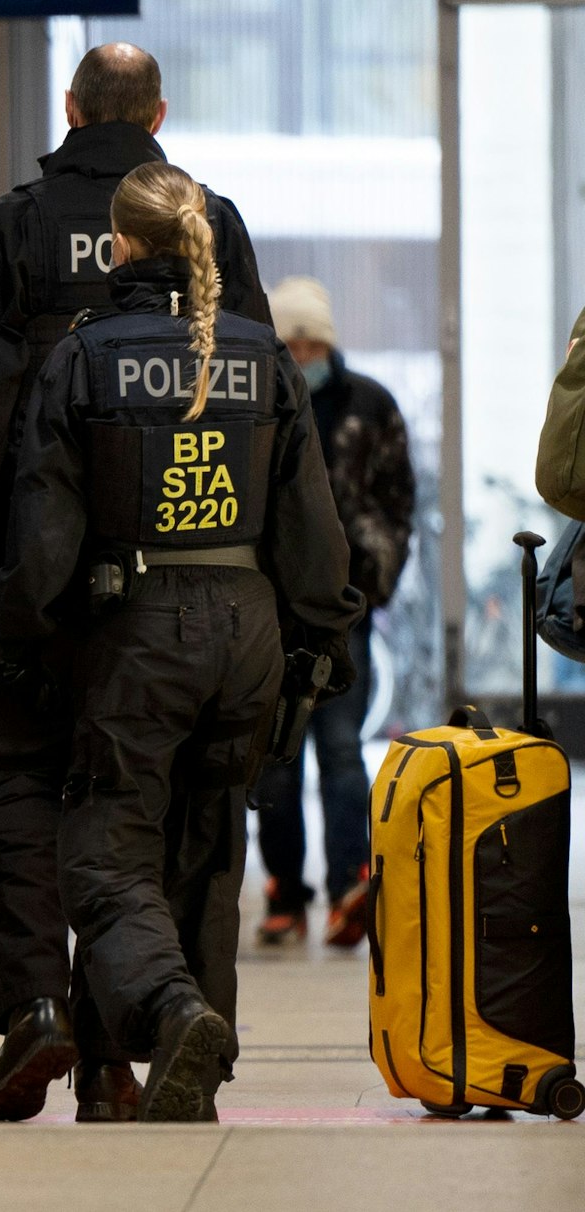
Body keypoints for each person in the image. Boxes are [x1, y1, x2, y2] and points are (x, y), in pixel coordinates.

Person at [0, 42, 274, 1123]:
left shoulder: (10, 228)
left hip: (39, 574)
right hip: (187, 570)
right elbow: (257, 404)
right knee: (154, 816)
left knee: (13, 787)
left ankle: (40, 1006)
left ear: (71, 108)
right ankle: (120, 1061)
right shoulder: (214, 221)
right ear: (158, 115)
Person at [0, 162, 360, 1121]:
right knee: (207, 856)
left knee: (106, 855)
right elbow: (311, 524)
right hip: (250, 631)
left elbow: (46, 530)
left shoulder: (85, 355)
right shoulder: (262, 354)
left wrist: (16, 634)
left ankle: (172, 1009)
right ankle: (179, 1084)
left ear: (119, 246)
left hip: (137, 633)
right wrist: (325, 635)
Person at [254, 277, 413, 947]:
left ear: (329, 344)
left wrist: (377, 572)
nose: (302, 355)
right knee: (275, 758)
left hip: (346, 609)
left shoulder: (369, 405)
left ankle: (351, 883)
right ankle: (285, 891)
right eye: (291, 344)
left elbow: (398, 500)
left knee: (344, 751)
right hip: (270, 608)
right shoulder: (255, 402)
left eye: (312, 343)